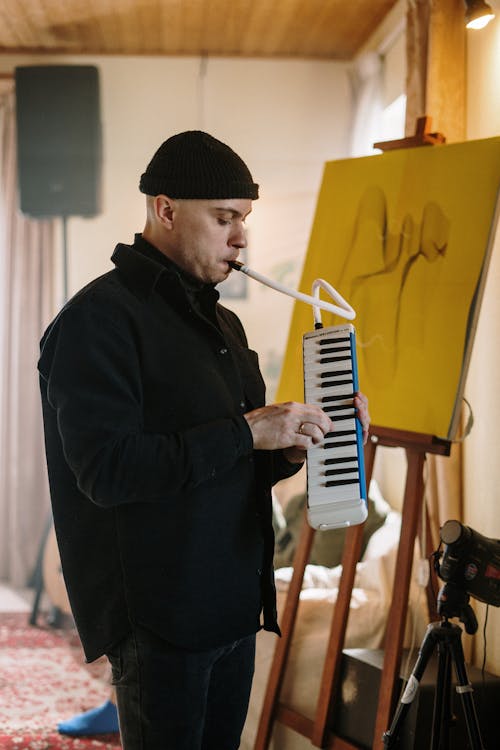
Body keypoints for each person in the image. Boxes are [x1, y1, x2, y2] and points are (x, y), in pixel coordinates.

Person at [38, 130, 370, 750]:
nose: (241, 238)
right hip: (160, 614)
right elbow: (106, 471)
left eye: (243, 219)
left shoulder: (225, 321)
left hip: (234, 602)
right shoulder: (97, 320)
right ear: (165, 210)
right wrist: (248, 431)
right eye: (225, 219)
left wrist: (293, 447)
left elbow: (237, 462)